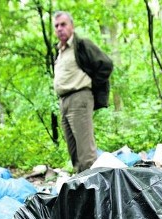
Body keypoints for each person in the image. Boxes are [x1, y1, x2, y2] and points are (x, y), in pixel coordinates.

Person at [53, 11, 113, 173]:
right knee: (74, 153)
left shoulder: (81, 46)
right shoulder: (60, 50)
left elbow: (106, 64)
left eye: (63, 24)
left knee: (86, 153)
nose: (60, 28)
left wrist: (92, 87)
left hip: (79, 98)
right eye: (56, 26)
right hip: (64, 101)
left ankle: (95, 193)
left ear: (71, 26)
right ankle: (82, 190)